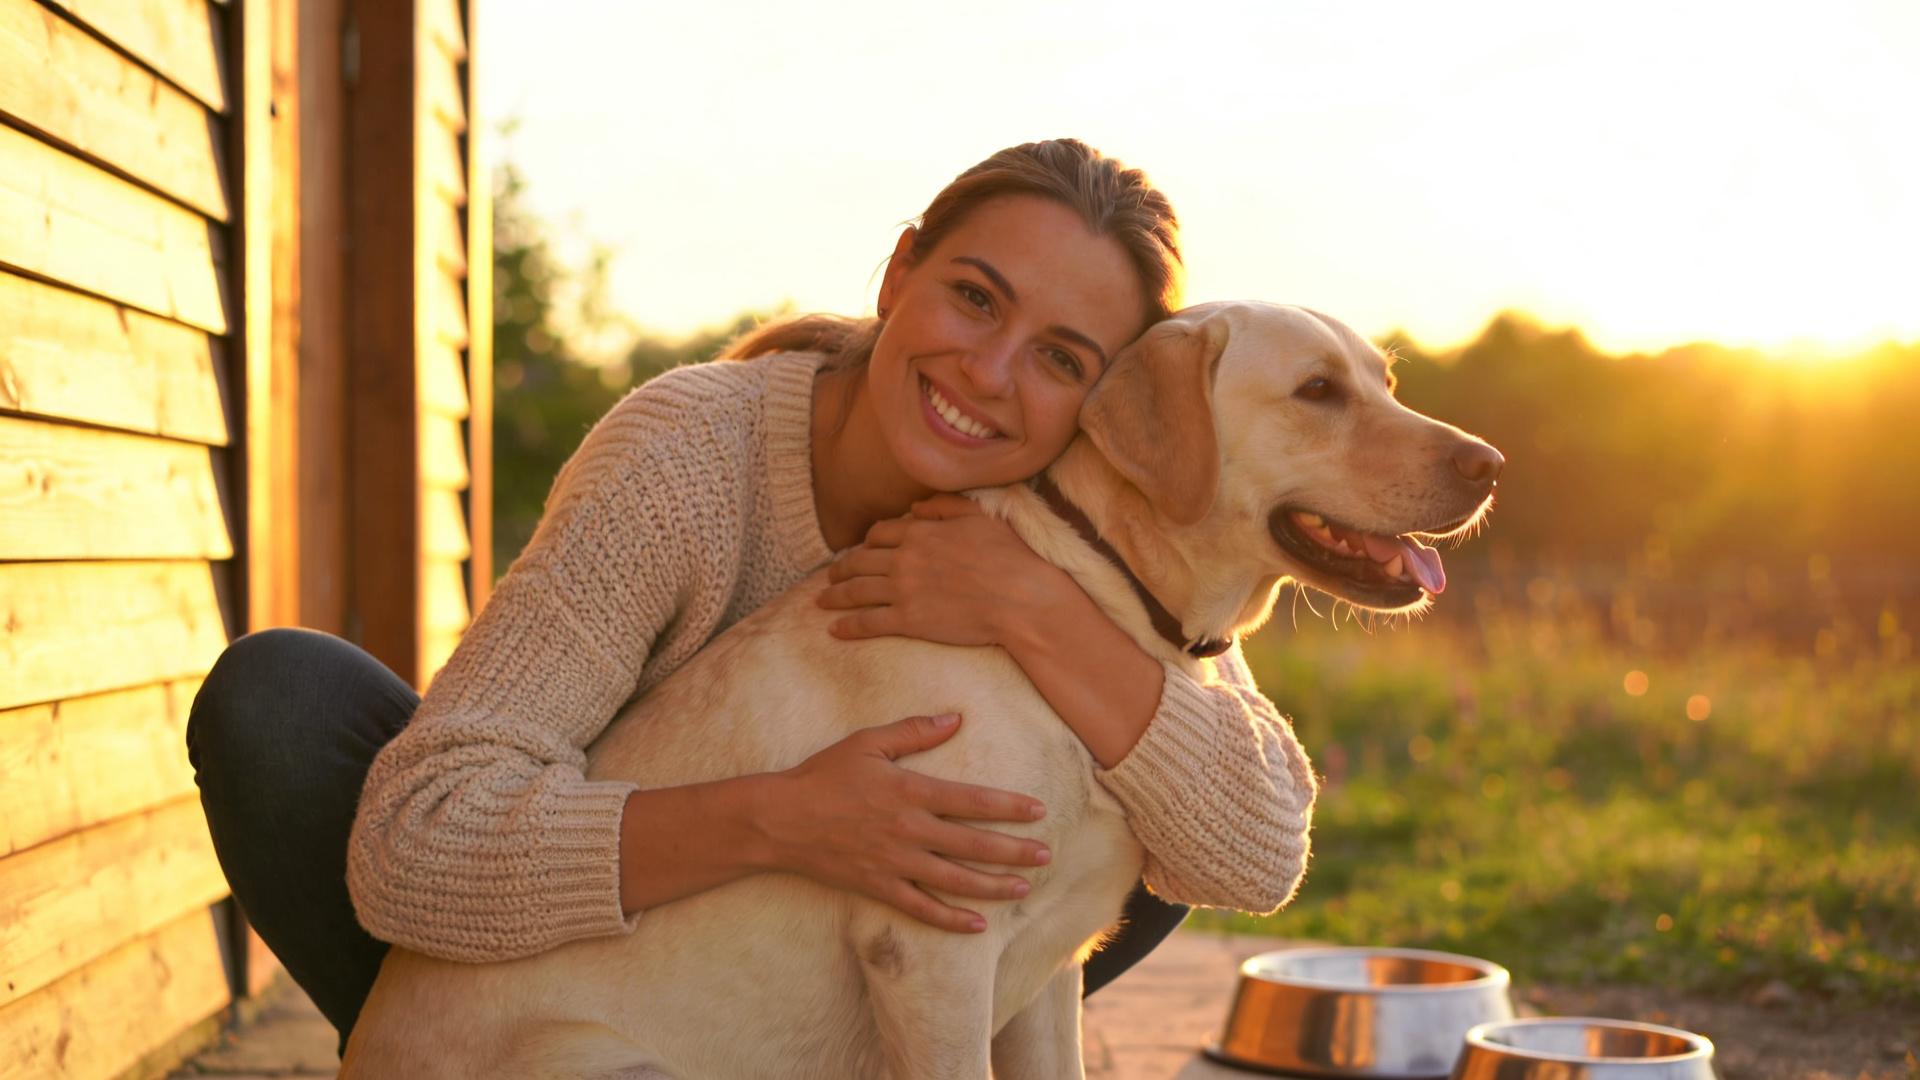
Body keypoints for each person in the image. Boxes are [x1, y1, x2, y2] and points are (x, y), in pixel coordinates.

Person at [186, 138, 1318, 1056]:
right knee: (284, 701)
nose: (990, 374)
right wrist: (788, 818)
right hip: (581, 971)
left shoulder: (1071, 505)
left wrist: (1036, 611)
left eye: (1063, 359)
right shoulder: (690, 459)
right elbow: (413, 847)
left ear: (1107, 407)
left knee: (1167, 781)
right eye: (975, 298)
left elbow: (1251, 850)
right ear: (899, 273)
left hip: (828, 981)